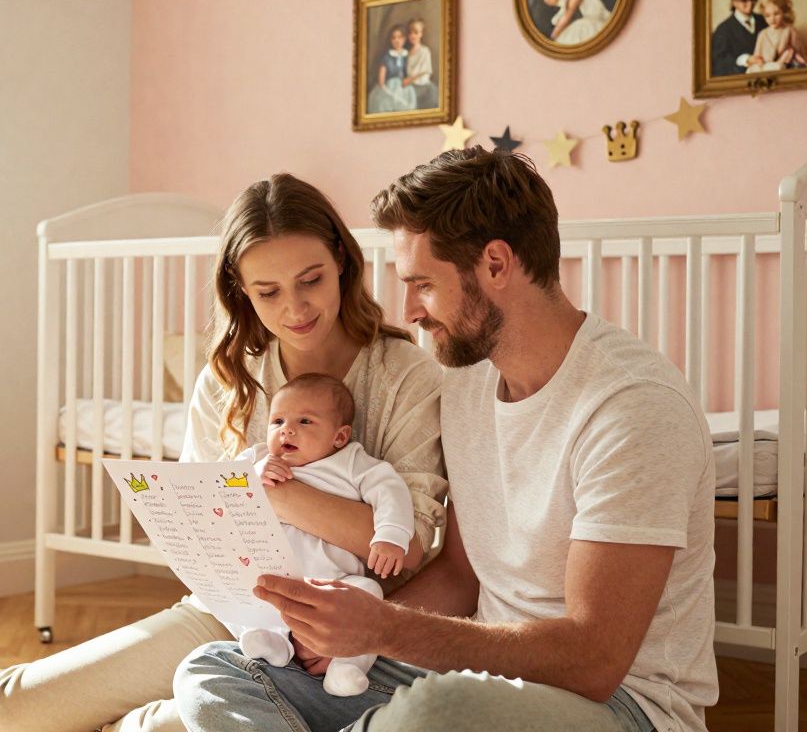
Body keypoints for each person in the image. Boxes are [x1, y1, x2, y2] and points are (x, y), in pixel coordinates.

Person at [174, 148, 718, 732]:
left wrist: (383, 629)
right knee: (213, 672)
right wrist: (344, 639)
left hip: (617, 706)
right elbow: (460, 575)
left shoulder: (631, 409)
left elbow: (593, 661)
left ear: (496, 263)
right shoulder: (466, 384)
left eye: (422, 285)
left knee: (436, 713)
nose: (408, 310)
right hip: (477, 671)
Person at [0, 173, 448, 731]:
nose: (296, 308)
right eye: (268, 292)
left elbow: (412, 544)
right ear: (241, 290)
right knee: (10, 716)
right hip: (234, 614)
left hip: (350, 626)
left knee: (169, 726)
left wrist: (265, 493)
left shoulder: (405, 375)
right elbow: (208, 530)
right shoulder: (228, 381)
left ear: (342, 265)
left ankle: (140, 718)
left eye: (311, 280)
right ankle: (11, 685)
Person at [233, 374, 414, 697]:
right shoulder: (259, 459)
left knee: (370, 592)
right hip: (279, 576)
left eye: (305, 421)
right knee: (256, 589)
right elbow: (224, 485)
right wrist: (254, 477)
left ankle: (349, 666)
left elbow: (390, 490)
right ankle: (272, 641)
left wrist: (391, 534)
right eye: (277, 421)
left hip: (338, 584)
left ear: (339, 437)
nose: (287, 430)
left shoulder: (351, 462)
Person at [747, 0, 807, 72]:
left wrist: (790, 54)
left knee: (779, 67)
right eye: (768, 16)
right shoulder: (762, 34)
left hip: (783, 68)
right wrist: (758, 61)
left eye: (776, 14)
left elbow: (802, 57)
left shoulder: (790, 30)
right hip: (765, 68)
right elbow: (757, 56)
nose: (772, 19)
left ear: (784, 12)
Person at [712, 0, 767, 76]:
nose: (750, 3)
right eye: (744, 0)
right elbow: (719, 62)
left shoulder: (764, 21)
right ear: (734, 1)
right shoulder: (723, 29)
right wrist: (746, 60)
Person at [366, 25, 416, 114]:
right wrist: (389, 93)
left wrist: (408, 80)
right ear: (391, 40)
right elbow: (381, 81)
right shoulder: (387, 57)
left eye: (400, 37)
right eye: (394, 38)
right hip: (389, 87)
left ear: (404, 39)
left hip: (405, 86)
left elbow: (411, 73)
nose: (397, 40)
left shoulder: (407, 55)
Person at [546, 0, 611, 44]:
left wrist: (553, 36)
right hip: (587, 18)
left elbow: (568, 15)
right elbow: (551, 0)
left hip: (596, 18)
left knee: (578, 30)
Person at [403, 18, 437, 110]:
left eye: (416, 33)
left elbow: (424, 70)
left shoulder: (424, 51)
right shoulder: (407, 53)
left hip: (421, 84)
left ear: (421, 34)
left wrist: (409, 79)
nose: (412, 36)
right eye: (410, 33)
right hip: (410, 84)